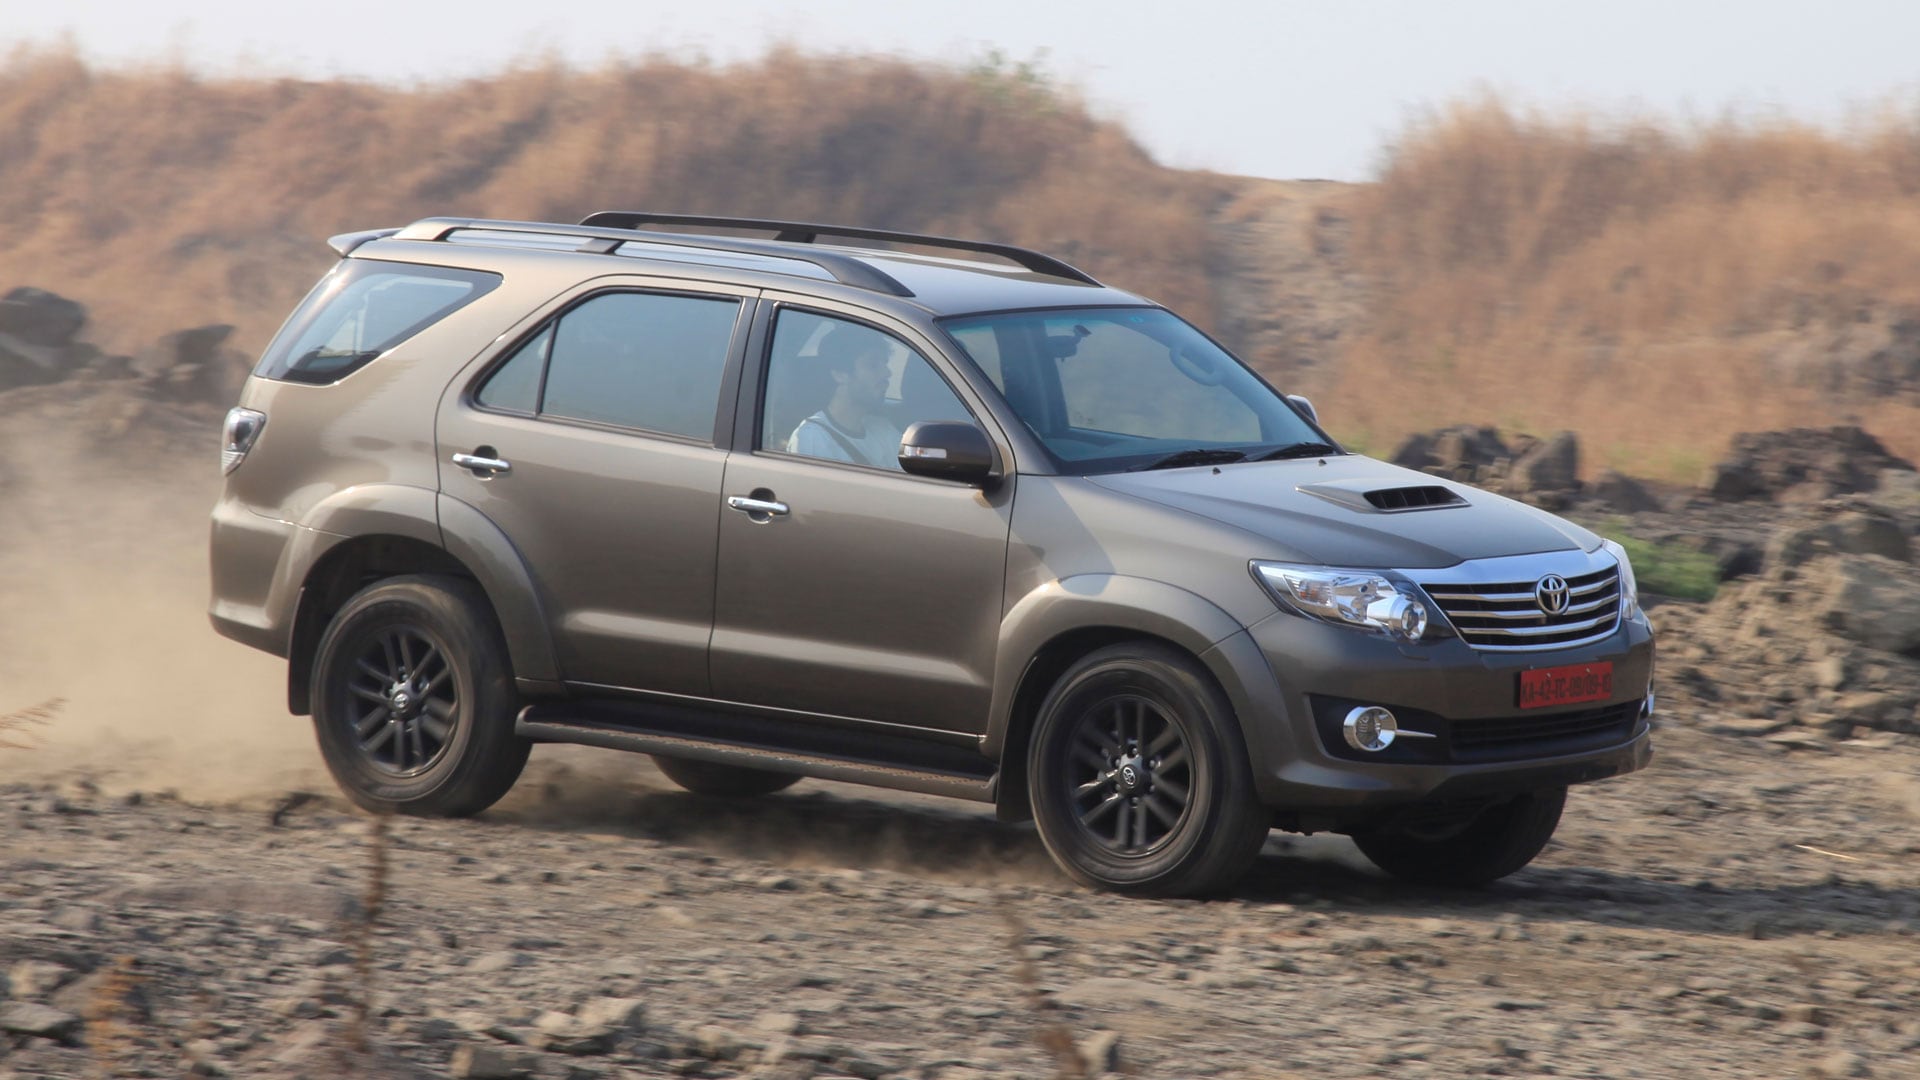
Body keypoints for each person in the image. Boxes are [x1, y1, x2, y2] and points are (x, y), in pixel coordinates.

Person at [787, 328, 903, 469]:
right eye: (873, 365)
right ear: (839, 375)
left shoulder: (884, 429)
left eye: (885, 363)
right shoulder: (813, 439)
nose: (887, 372)